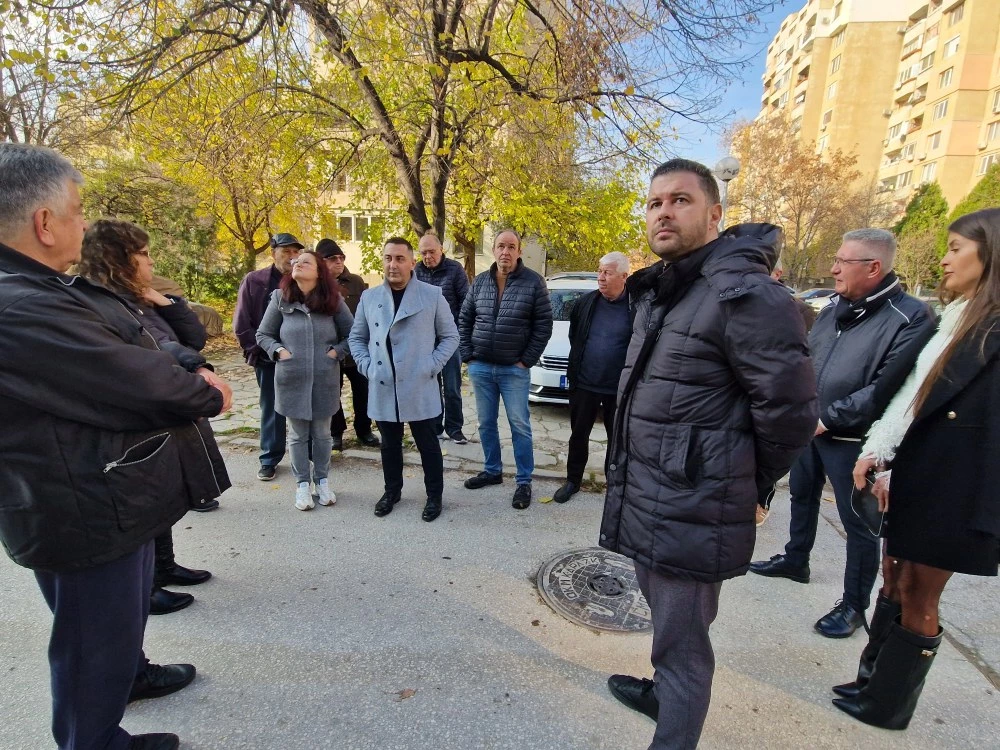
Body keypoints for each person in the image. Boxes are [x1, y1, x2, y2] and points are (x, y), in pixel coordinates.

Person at [0, 142, 233, 750]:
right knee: (91, 643)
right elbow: (135, 377)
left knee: (112, 633)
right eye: (76, 211)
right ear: (44, 222)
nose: (83, 224)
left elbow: (139, 343)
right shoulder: (19, 304)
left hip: (98, 496)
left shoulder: (43, 287)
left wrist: (186, 363)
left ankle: (125, 687)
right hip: (81, 509)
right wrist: (203, 390)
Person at [600, 159, 817, 749]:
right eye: (654, 203)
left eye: (680, 200)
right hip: (652, 493)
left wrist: (745, 482)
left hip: (692, 503)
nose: (663, 212)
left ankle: (674, 729)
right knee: (667, 628)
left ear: (715, 213)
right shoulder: (669, 288)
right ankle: (662, 696)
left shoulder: (745, 294)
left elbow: (791, 412)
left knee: (684, 649)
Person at [831, 208, 1000, 730]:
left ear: (990, 253)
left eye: (955, 248)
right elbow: (913, 395)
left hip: (955, 485)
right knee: (894, 578)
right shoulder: (957, 315)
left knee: (919, 593)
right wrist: (879, 453)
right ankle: (871, 682)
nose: (944, 260)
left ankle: (889, 706)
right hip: (918, 474)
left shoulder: (991, 327)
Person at [749, 229, 935, 639]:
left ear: (873, 267)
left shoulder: (911, 317)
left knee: (858, 524)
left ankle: (853, 605)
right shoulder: (834, 308)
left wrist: (828, 418)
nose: (833, 269)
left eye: (842, 262)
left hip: (854, 440)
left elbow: (886, 387)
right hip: (809, 427)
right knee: (801, 495)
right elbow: (807, 359)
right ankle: (795, 560)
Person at [77, 218, 231, 616]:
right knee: (145, 501)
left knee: (163, 495)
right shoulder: (104, 303)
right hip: (140, 417)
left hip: (164, 408)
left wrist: (164, 301)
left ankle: (164, 566)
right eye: (143, 254)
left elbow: (192, 338)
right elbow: (157, 348)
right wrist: (198, 369)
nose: (150, 262)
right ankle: (146, 588)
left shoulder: (137, 297)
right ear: (119, 259)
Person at [349, 237, 459, 521]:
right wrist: (368, 367)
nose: (393, 264)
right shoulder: (369, 297)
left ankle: (434, 496)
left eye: (400, 258)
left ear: (412, 262)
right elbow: (356, 338)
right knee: (389, 444)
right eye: (388, 258)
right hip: (383, 383)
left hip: (419, 383)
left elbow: (450, 336)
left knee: (428, 445)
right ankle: (392, 491)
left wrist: (431, 365)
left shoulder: (431, 295)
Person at [459, 229, 553, 509]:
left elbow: (543, 326)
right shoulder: (480, 281)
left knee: (519, 426)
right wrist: (468, 356)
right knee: (485, 423)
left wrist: (526, 360)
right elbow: (464, 318)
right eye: (501, 246)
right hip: (481, 367)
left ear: (519, 251)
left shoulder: (534, 282)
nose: (505, 252)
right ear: (494, 249)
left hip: (514, 369)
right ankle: (492, 471)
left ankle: (524, 481)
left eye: (511, 247)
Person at [256, 251, 354, 511]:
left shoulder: (333, 300)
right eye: (296, 262)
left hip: (324, 379)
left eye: (305, 262)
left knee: (322, 435)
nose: (297, 263)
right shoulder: (280, 298)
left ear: (319, 272)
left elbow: (353, 333)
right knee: (298, 435)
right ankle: (302, 484)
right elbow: (263, 334)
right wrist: (279, 351)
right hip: (291, 378)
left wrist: (335, 353)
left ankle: (322, 480)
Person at [552, 251, 630, 504]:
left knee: (617, 439)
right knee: (578, 435)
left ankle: (614, 485)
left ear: (624, 276)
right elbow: (575, 336)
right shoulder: (586, 303)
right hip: (585, 383)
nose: (601, 277)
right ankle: (572, 481)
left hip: (619, 388)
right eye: (599, 271)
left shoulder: (636, 306)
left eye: (608, 273)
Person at [234, 232, 303, 481]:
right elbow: (242, 322)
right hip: (267, 358)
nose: (292, 257)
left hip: (300, 357)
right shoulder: (255, 281)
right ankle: (269, 458)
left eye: (296, 252)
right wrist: (256, 350)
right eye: (286, 252)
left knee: (302, 406)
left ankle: (306, 455)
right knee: (272, 408)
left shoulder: (303, 280)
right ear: (273, 254)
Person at [316, 238, 381, 449]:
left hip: (356, 349)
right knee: (332, 393)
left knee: (363, 391)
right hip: (329, 351)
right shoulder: (316, 284)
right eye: (332, 258)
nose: (339, 261)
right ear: (320, 261)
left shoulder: (355, 282)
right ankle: (336, 433)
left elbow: (368, 313)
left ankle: (364, 430)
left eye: (341, 257)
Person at [415, 231, 470, 444]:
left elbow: (466, 302)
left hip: (449, 338)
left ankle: (455, 428)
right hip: (425, 339)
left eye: (431, 252)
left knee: (452, 386)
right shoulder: (415, 271)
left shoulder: (455, 269)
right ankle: (435, 427)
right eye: (423, 253)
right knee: (431, 386)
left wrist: (458, 332)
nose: (428, 257)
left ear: (441, 250)